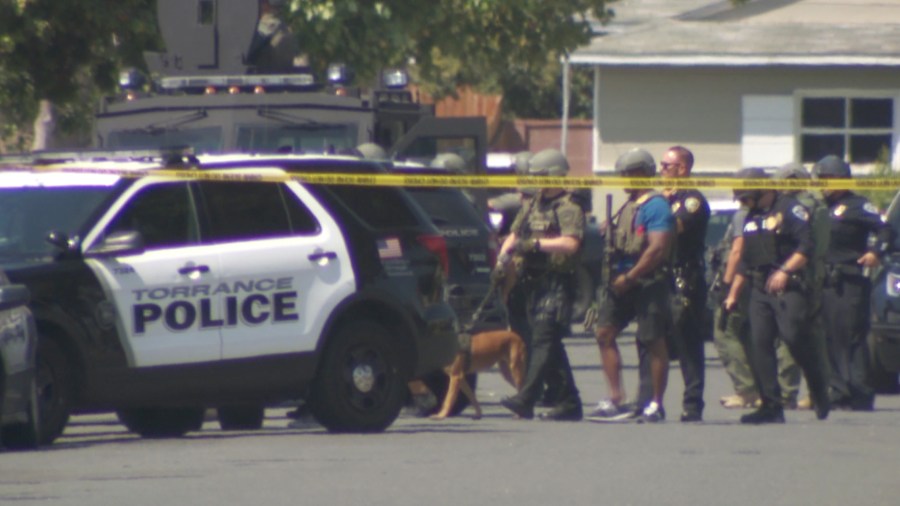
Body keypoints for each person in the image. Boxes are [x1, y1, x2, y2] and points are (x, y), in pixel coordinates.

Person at [724, 168, 830, 423]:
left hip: (789, 285)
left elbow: (806, 247)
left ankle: (818, 389)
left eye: (746, 198)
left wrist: (784, 270)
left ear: (762, 190)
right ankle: (771, 406)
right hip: (760, 288)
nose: (743, 204)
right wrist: (732, 294)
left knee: (794, 338)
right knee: (759, 344)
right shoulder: (751, 217)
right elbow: (746, 262)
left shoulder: (790, 209)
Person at [586, 148, 674, 424]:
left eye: (629, 173)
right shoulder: (629, 205)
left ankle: (655, 404)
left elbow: (657, 249)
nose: (624, 178)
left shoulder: (656, 205)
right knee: (604, 333)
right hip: (620, 278)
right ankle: (615, 398)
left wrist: (632, 277)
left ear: (642, 174)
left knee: (652, 339)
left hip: (647, 281)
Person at [496, 148, 584, 421]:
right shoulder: (533, 203)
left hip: (556, 281)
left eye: (541, 175)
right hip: (531, 283)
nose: (537, 181)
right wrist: (503, 258)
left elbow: (571, 243)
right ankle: (569, 402)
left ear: (555, 175)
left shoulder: (569, 207)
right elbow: (514, 234)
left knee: (544, 340)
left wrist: (536, 244)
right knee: (548, 343)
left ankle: (526, 398)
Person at [813, 155, 892, 411]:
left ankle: (860, 392)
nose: (823, 184)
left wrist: (876, 253)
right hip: (826, 280)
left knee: (851, 337)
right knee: (829, 337)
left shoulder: (858, 205)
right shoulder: (822, 207)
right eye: (820, 179)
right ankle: (838, 390)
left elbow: (886, 230)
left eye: (827, 179)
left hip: (849, 280)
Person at [659, 146, 709, 422]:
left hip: (685, 278)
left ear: (683, 168)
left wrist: (662, 206)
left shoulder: (692, 200)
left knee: (688, 344)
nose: (662, 170)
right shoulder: (662, 199)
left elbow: (669, 229)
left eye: (667, 165)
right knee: (654, 341)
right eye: (661, 165)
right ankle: (651, 400)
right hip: (661, 276)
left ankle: (692, 404)